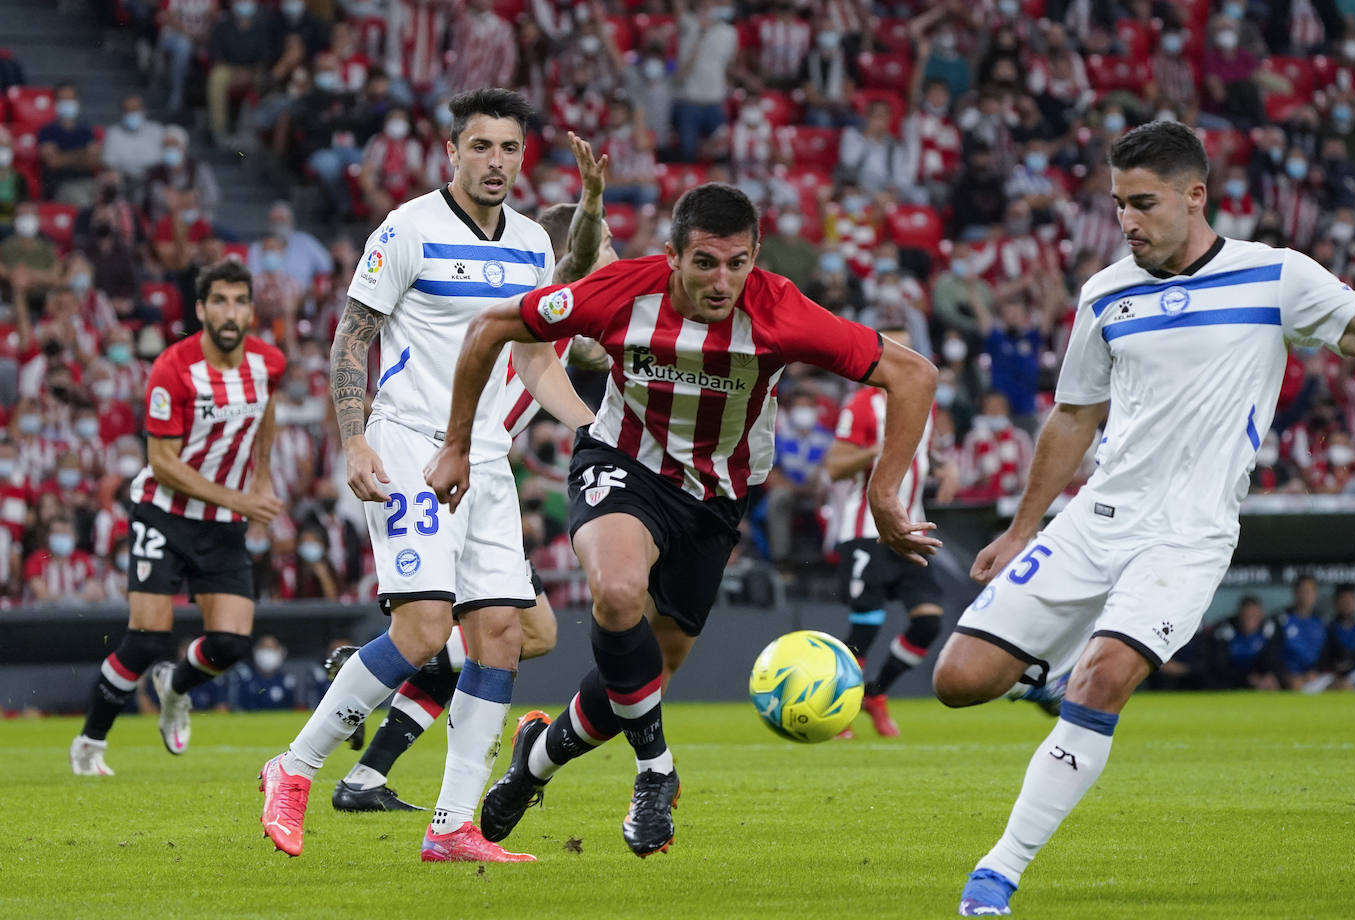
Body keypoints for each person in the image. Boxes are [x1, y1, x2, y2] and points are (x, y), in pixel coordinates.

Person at [930, 120, 1355, 916]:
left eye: (1142, 204)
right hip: (1096, 517)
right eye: (1118, 204)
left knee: (1103, 682)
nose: (1126, 221)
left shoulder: (1275, 278)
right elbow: (1073, 417)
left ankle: (998, 871)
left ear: (1195, 196)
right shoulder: (1106, 292)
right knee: (958, 682)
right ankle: (1057, 662)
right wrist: (1022, 526)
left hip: (1188, 533)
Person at [427, 181, 939, 857]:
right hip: (622, 463)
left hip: (715, 501)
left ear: (755, 256)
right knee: (616, 593)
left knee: (638, 681)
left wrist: (883, 492)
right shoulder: (620, 292)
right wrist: (457, 443)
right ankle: (655, 771)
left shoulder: (781, 311)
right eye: (704, 263)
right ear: (671, 256)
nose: (721, 281)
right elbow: (493, 326)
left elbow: (914, 375)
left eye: (736, 263)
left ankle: (534, 762)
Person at [258, 88, 598, 863]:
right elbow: (351, 341)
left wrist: (593, 425)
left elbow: (535, 359)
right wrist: (352, 441)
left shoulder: (529, 247)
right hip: (410, 443)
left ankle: (450, 826)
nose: (496, 163)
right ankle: (295, 767)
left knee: (503, 634)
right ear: (451, 152)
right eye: (481, 147)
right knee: (420, 628)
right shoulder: (406, 228)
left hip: (486, 459)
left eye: (509, 149)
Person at [330, 184, 619, 815]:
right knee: (505, 633)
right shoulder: (540, 310)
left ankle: (369, 771)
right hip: (437, 468)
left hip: (480, 480)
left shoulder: (565, 326)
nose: (614, 271)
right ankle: (376, 693)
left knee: (520, 634)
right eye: (606, 258)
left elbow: (601, 348)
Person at [70, 259, 285, 777]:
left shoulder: (268, 363)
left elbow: (266, 412)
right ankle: (90, 743)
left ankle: (176, 688)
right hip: (162, 513)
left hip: (222, 523)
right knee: (146, 639)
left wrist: (261, 476)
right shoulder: (173, 367)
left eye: (238, 301)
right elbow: (163, 464)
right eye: (219, 301)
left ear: (250, 310)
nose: (229, 312)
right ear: (201, 309)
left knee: (231, 643)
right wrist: (240, 501)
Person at [826, 324, 954, 738]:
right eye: (893, 348)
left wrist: (942, 467)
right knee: (867, 623)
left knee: (929, 622)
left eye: (907, 348)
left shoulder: (923, 402)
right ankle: (836, 706)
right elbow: (834, 465)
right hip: (865, 530)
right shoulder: (862, 404)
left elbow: (923, 454)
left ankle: (874, 693)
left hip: (910, 526)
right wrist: (881, 448)